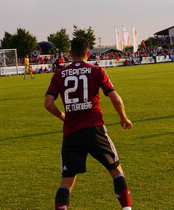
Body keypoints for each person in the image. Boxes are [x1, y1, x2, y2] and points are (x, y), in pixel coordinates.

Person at [44, 38, 133, 210]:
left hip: (71, 132)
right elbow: (115, 97)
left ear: (70, 54)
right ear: (89, 53)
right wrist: (123, 117)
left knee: (66, 182)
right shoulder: (97, 70)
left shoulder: (59, 74)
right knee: (116, 171)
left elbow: (48, 103)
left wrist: (64, 116)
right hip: (95, 128)